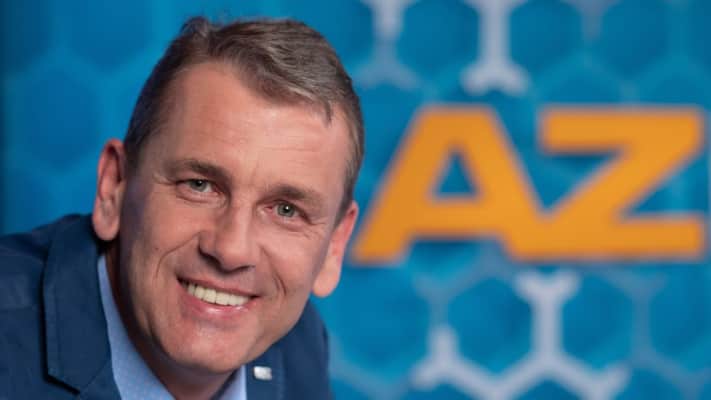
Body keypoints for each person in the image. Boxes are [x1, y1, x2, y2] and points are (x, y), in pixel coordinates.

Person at [0, 16, 363, 400]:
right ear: (114, 187)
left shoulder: (295, 345)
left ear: (334, 245)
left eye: (286, 210)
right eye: (199, 185)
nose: (231, 250)